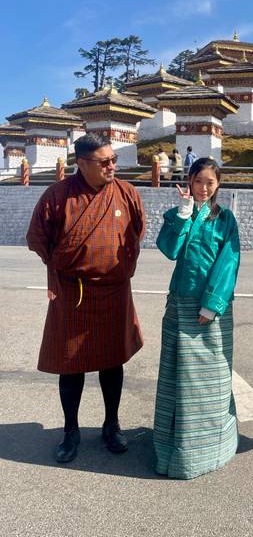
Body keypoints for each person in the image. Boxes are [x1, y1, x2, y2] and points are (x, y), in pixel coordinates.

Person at [26, 134, 145, 463]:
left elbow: (138, 230)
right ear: (81, 164)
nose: (111, 167)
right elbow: (37, 237)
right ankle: (70, 430)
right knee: (71, 364)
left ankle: (111, 424)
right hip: (73, 292)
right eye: (104, 162)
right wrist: (63, 264)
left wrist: (123, 266)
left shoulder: (125, 192)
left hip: (115, 290)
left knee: (112, 361)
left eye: (113, 160)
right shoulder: (58, 195)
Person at [153, 157, 240, 479]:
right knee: (177, 377)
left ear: (218, 186)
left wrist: (212, 304)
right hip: (179, 304)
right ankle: (171, 445)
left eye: (210, 183)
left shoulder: (225, 219)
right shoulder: (181, 215)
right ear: (189, 181)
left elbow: (229, 261)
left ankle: (209, 448)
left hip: (209, 309)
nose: (204, 188)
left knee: (210, 380)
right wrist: (183, 214)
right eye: (199, 181)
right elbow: (170, 250)